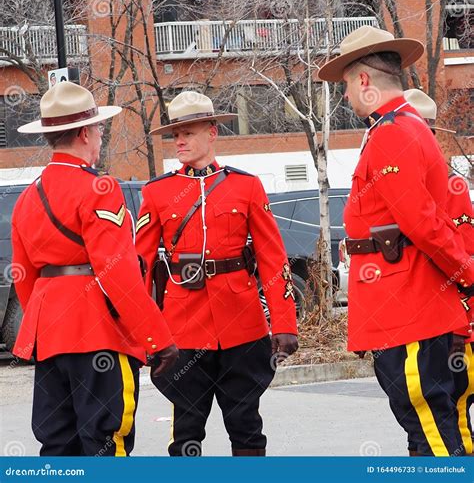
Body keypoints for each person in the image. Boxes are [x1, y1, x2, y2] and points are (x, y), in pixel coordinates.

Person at [318, 26, 474, 456]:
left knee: (430, 430)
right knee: (427, 429)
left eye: (347, 84)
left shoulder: (392, 133)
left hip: (408, 308)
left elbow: (422, 224)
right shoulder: (400, 126)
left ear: (364, 81)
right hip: (405, 305)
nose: (346, 96)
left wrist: (467, 275)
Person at [12, 81, 178, 456]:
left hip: (50, 336)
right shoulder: (100, 188)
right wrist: (156, 338)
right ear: (85, 133)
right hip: (97, 331)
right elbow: (117, 272)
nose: (100, 136)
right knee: (106, 441)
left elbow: (25, 279)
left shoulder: (26, 197)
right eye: (99, 129)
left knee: (57, 444)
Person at [135, 91, 298, 456]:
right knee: (187, 434)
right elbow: (139, 267)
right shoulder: (158, 193)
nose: (179, 141)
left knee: (247, 429)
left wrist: (285, 323)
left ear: (212, 132)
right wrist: (143, 335)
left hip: (242, 326)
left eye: (188, 132)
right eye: (175, 134)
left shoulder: (246, 186)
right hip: (183, 330)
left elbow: (273, 258)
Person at [404, 88, 474, 455]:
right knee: (424, 423)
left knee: (453, 416)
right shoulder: (402, 180)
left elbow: (463, 256)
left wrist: (460, 329)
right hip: (413, 319)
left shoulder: (449, 185)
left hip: (449, 324)